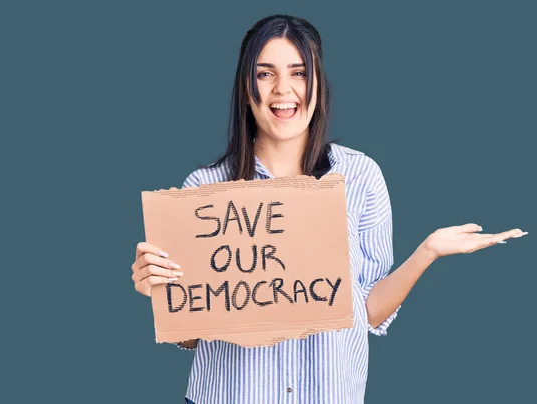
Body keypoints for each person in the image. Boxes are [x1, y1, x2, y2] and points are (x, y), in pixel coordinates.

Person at [131, 14, 526, 404]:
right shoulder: (204, 190)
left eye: (299, 72)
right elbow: (191, 333)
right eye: (265, 74)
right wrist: (161, 293)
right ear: (245, 87)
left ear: (318, 83)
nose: (283, 90)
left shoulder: (361, 176)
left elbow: (367, 310)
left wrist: (427, 252)